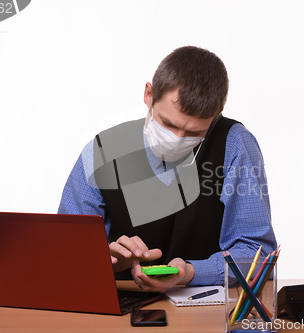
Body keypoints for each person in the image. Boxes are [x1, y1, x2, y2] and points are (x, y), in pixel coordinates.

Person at [58, 46, 277, 293]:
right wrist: (109, 261)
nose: (177, 139)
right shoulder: (102, 152)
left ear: (215, 116)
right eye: (168, 124)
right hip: (122, 307)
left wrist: (189, 273)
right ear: (149, 95)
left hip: (204, 312)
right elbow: (66, 253)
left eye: (194, 133)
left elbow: (258, 254)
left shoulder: (235, 144)